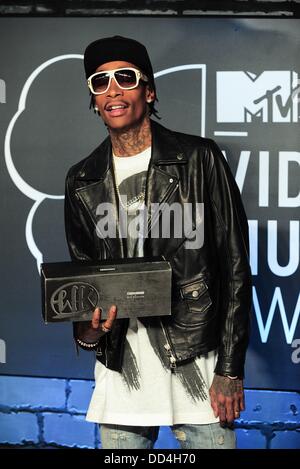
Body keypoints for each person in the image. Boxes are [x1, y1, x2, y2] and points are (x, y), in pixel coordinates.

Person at [64, 35, 252, 449]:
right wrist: (88, 333)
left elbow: (235, 266)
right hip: (122, 371)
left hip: (197, 362)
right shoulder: (82, 180)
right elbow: (85, 282)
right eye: (99, 82)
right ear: (94, 101)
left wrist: (231, 369)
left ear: (148, 91)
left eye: (124, 77)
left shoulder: (200, 159)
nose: (112, 89)